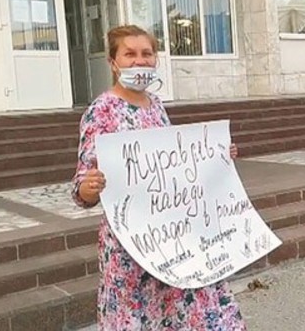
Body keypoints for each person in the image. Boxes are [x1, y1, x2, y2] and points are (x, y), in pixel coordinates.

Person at [71, 25, 246, 330]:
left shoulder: (156, 106)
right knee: (141, 315)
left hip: (173, 235)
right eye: (130, 54)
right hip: (131, 243)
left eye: (146, 54)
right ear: (113, 62)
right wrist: (89, 187)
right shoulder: (102, 111)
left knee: (191, 308)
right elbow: (83, 185)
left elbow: (174, 164)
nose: (139, 61)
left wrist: (216, 154)